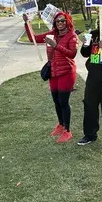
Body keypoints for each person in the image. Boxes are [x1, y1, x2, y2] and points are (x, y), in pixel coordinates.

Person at [23, 12, 79, 143]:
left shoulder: (72, 36)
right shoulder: (51, 34)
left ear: (68, 21)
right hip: (53, 73)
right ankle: (61, 124)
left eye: (63, 21)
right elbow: (33, 39)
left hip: (66, 73)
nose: (60, 23)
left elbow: (72, 54)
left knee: (64, 102)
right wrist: (27, 23)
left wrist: (55, 46)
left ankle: (68, 131)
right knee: (56, 101)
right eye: (57, 21)